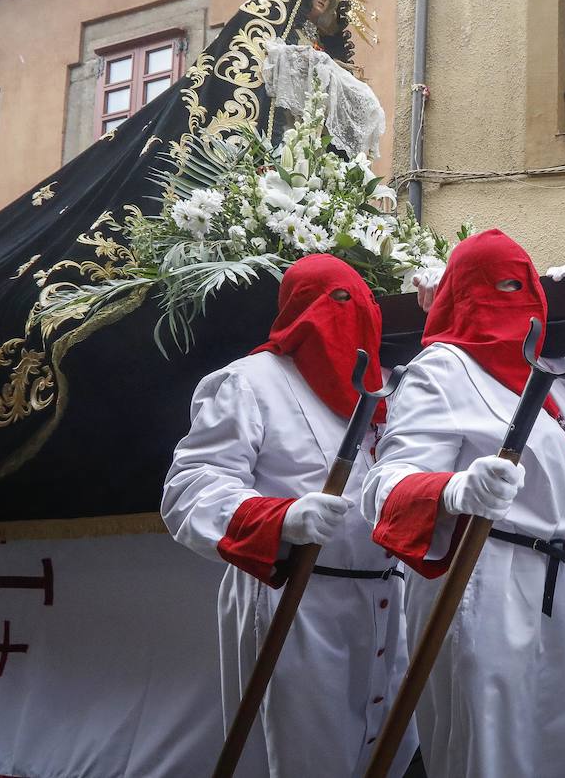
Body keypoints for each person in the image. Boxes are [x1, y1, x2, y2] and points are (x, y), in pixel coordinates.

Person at [361, 229, 565, 778]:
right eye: (499, 285)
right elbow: (386, 484)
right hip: (488, 586)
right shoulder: (442, 369)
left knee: (562, 746)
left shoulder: (553, 372)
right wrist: (454, 490)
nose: (513, 298)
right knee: (494, 754)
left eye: (524, 285)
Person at [162, 254, 417, 778]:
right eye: (336, 302)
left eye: (362, 302)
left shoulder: (388, 390)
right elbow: (189, 488)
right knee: (304, 758)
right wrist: (280, 518)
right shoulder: (249, 383)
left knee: (384, 753)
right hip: (294, 601)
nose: (352, 314)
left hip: (385, 601)